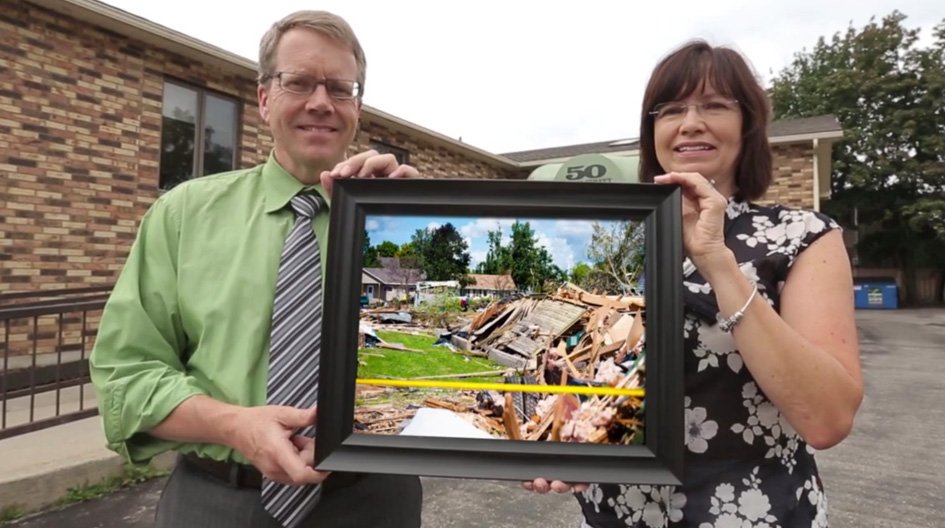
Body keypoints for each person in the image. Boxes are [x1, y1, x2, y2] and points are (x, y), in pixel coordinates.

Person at [90, 11, 421, 528]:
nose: (320, 102)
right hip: (216, 503)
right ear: (265, 98)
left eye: (339, 87)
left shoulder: (391, 221)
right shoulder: (182, 216)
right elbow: (125, 378)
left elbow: (440, 364)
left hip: (373, 501)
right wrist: (234, 426)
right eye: (299, 82)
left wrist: (417, 216)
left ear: (356, 107)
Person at [526, 40, 863, 527]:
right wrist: (556, 439)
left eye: (714, 105)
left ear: (747, 125)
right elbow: (588, 367)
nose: (690, 122)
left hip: (753, 513)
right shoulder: (616, 236)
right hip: (614, 516)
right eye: (671, 109)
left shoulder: (801, 237)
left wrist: (716, 262)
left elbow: (828, 419)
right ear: (653, 131)